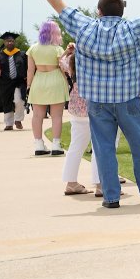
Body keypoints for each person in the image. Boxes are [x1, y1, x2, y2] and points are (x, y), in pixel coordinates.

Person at [31, 0, 140, 207]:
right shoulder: (133, 29)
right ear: (122, 11)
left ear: (98, 11)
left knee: (103, 149)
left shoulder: (85, 27)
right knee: (139, 147)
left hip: (98, 102)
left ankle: (110, 198)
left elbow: (55, 1)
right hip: (129, 100)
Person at [60, 42, 100, 196]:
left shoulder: (72, 63)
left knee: (76, 146)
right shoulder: (94, 63)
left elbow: (61, 61)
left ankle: (71, 183)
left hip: (77, 107)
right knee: (99, 146)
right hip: (94, 105)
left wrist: (67, 51)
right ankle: (100, 183)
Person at [26, 19, 70, 156]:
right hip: (56, 79)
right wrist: (67, 82)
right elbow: (63, 68)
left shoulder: (33, 48)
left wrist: (28, 86)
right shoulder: (57, 49)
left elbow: (29, 70)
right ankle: (56, 144)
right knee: (56, 115)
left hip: (38, 80)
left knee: (37, 115)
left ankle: (38, 144)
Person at [0, 32, 28, 130]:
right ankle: (9, 123)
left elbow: (28, 67)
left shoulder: (22, 54)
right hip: (5, 82)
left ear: (14, 42)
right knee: (6, 102)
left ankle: (18, 119)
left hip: (19, 82)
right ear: (4, 42)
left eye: (12, 41)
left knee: (19, 101)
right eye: (8, 41)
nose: (10, 43)